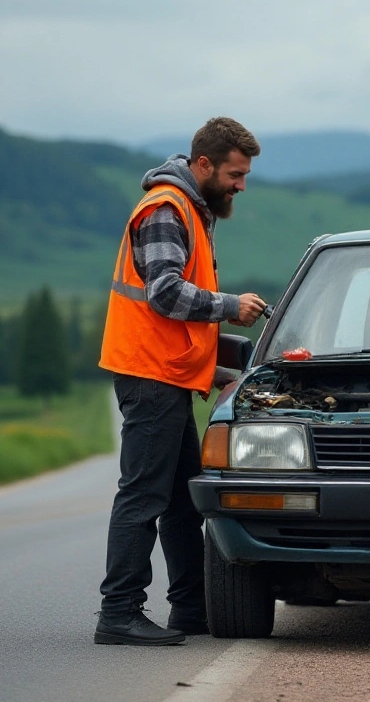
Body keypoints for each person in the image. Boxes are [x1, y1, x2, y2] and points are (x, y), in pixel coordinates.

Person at [94, 117, 267, 645]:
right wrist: (230, 306)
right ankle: (118, 614)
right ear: (204, 165)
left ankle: (190, 609)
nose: (241, 185)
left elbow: (168, 317)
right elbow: (166, 294)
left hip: (164, 375)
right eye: (235, 175)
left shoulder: (191, 209)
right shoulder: (168, 208)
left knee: (179, 503)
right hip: (150, 379)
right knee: (144, 498)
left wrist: (208, 370)